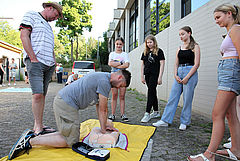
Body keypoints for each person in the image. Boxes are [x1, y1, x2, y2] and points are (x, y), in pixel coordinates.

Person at [8, 70, 131, 160]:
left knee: (67, 134)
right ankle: (30, 141)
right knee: (70, 141)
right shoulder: (104, 81)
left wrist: (104, 127)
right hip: (66, 103)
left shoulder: (104, 78)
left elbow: (99, 108)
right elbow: (104, 110)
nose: (119, 88)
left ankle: (32, 137)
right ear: (120, 77)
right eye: (121, 85)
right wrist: (104, 130)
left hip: (65, 102)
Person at [188, 4, 240, 161]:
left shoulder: (236, 29)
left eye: (218, 17)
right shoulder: (231, 31)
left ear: (229, 13)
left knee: (217, 114)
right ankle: (236, 150)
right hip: (227, 71)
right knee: (230, 114)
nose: (216, 21)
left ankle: (209, 155)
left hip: (231, 72)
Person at [19, 2, 63, 135]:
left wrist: (54, 62)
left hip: (48, 65)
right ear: (50, 8)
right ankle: (37, 127)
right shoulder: (31, 15)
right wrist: (32, 58)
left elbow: (50, 47)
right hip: (36, 62)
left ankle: (39, 124)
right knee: (37, 95)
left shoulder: (48, 27)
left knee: (42, 95)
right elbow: (24, 35)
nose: (55, 19)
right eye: (55, 15)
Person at [153, 26, 200, 131]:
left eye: (182, 34)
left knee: (187, 99)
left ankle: (185, 122)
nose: (181, 36)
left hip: (190, 72)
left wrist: (187, 77)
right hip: (179, 72)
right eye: (179, 35)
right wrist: (175, 75)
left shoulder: (195, 46)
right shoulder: (179, 48)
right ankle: (165, 120)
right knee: (173, 97)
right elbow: (176, 63)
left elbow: (196, 64)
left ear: (189, 33)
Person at [140, 35, 165, 123]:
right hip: (147, 75)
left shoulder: (159, 51)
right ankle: (156, 111)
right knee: (152, 92)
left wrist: (160, 77)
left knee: (150, 91)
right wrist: (142, 76)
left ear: (154, 42)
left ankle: (147, 113)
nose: (149, 44)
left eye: (150, 42)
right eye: (147, 42)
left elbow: (162, 64)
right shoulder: (145, 52)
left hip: (155, 75)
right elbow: (142, 64)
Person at [108, 37, 130, 122]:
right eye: (117, 44)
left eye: (120, 44)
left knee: (122, 96)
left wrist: (116, 65)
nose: (118, 45)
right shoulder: (112, 54)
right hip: (113, 76)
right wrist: (121, 63)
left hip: (122, 76)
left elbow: (127, 65)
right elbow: (110, 63)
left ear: (123, 44)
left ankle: (123, 114)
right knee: (114, 96)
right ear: (115, 44)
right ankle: (112, 114)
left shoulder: (125, 54)